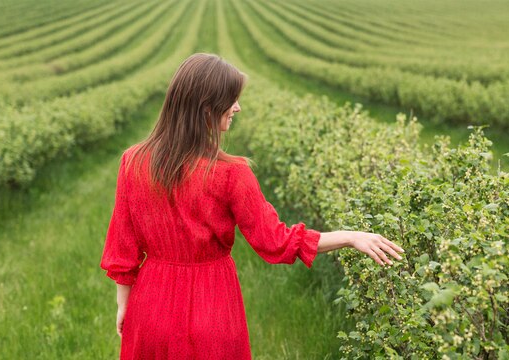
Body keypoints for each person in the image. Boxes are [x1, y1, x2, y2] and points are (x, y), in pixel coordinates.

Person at [100, 53, 405, 359]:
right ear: (207, 109)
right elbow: (276, 242)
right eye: (231, 100)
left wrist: (124, 305)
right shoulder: (231, 174)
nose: (237, 107)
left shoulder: (134, 163)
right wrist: (351, 237)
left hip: (150, 308)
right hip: (212, 310)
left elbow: (122, 248)